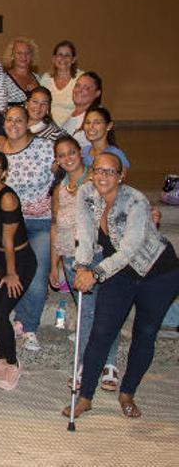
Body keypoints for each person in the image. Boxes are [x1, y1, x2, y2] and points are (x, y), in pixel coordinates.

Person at [64, 153, 179, 419]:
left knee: (145, 333)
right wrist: (82, 265)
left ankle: (127, 392)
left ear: (121, 175)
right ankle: (85, 397)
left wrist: (95, 273)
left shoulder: (135, 200)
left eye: (110, 171)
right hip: (120, 273)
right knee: (101, 331)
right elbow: (85, 232)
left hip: (158, 273)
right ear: (92, 172)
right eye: (98, 170)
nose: (103, 176)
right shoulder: (86, 193)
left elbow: (129, 250)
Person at [47, 136, 119, 390]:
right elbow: (56, 225)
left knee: (100, 312)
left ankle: (96, 364)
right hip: (69, 257)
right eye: (61, 155)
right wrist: (53, 263)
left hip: (96, 255)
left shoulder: (96, 179)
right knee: (88, 312)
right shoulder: (59, 189)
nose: (67, 158)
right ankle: (94, 363)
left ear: (81, 153)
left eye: (71, 153)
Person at [0, 106, 54, 352]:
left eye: (19, 120)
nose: (13, 124)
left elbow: (59, 178)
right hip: (7, 225)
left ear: (28, 123)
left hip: (39, 223)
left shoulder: (45, 148)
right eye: (9, 120)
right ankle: (15, 320)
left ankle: (28, 325)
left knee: (36, 275)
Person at [0, 150, 37, 391]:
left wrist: (11, 273)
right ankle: (2, 361)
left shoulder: (7, 198)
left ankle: (13, 363)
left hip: (19, 259)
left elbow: (8, 239)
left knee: (2, 312)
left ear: (4, 173)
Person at [39, 40, 83, 127]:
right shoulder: (46, 78)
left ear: (73, 59)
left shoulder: (81, 78)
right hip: (49, 128)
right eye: (60, 55)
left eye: (67, 55)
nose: (63, 58)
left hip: (74, 129)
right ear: (54, 58)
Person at [61, 71, 103, 145]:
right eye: (77, 86)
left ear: (97, 93)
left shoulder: (96, 117)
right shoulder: (72, 114)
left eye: (86, 88)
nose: (79, 90)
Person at [2, 37, 40, 104]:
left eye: (27, 53)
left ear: (31, 56)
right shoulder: (3, 80)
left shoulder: (38, 79)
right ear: (12, 56)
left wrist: (37, 91)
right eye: (19, 53)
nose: (24, 56)